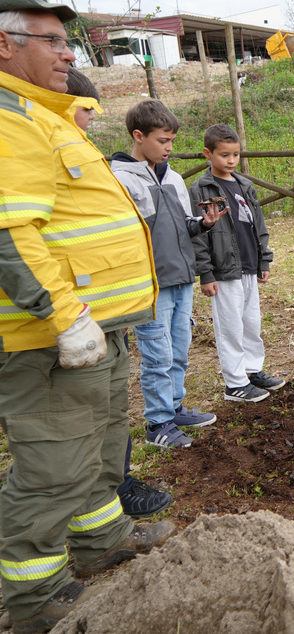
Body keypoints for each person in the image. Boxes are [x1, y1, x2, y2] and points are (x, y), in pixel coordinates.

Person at [0, 0, 176, 634]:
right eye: (51, 39)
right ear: (3, 43)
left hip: (98, 330)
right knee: (52, 467)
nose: (68, 52)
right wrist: (64, 316)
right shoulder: (8, 119)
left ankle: (102, 540)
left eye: (66, 39)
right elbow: (10, 230)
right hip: (50, 339)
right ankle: (34, 596)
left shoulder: (46, 116)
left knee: (100, 447)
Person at [64, 72, 176, 519]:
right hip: (74, 311)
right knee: (81, 418)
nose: (93, 117)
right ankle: (96, 498)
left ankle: (112, 489)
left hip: (109, 309)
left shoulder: (80, 150)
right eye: (87, 108)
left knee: (109, 410)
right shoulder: (37, 146)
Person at [111, 100, 223, 449]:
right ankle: (157, 423)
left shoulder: (172, 176)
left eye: (172, 141)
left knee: (179, 348)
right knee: (156, 353)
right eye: (162, 141)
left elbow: (181, 226)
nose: (169, 148)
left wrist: (201, 224)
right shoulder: (120, 180)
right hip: (151, 284)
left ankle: (174, 407)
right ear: (138, 136)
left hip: (180, 278)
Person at [190, 124, 284, 402]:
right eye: (224, 155)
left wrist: (263, 259)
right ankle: (234, 382)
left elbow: (258, 224)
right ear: (208, 154)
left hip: (248, 263)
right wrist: (206, 273)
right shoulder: (201, 189)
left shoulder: (244, 185)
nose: (231, 161)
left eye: (235, 155)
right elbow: (197, 234)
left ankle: (252, 370)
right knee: (230, 325)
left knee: (250, 322)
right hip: (223, 269)